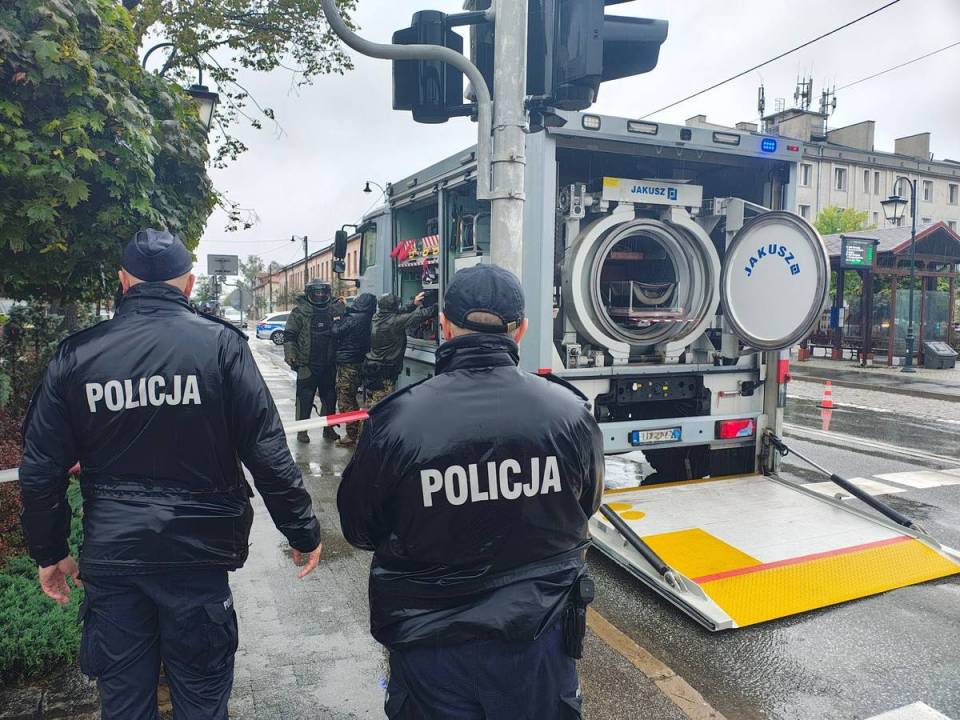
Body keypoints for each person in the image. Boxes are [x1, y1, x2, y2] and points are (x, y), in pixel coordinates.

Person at [18, 229, 323, 720]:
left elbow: (41, 469)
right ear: (188, 283)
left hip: (115, 557)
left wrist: (49, 552)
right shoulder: (221, 347)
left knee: (124, 702)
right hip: (197, 556)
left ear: (123, 281)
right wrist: (302, 530)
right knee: (201, 698)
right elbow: (266, 450)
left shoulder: (77, 355)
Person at [338, 263, 604, 720]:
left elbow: (360, 527)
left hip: (430, 643)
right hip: (537, 639)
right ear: (521, 329)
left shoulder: (397, 421)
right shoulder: (568, 413)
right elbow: (586, 503)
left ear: (444, 326)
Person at [283, 279, 345, 443]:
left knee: (330, 399)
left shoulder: (335, 309)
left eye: (323, 292)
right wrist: (291, 355)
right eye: (317, 292)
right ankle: (302, 431)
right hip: (307, 364)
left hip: (329, 364)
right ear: (309, 293)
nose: (320, 295)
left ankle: (328, 429)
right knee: (304, 399)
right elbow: (289, 335)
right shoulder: (299, 312)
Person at [363, 291, 437, 405]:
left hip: (373, 369)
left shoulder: (376, 317)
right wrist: (440, 304)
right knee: (382, 407)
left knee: (371, 405)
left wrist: (413, 304)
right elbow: (420, 315)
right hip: (384, 373)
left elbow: (396, 313)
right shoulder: (395, 322)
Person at [330, 292, 377, 448]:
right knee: (355, 398)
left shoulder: (352, 320)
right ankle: (358, 432)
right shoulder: (367, 317)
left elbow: (335, 331)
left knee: (346, 400)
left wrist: (336, 318)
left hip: (348, 364)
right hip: (360, 361)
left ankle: (352, 435)